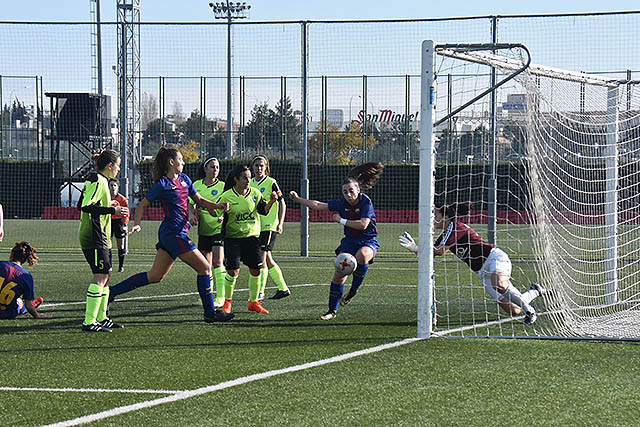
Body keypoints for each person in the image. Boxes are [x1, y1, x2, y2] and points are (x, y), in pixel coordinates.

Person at [108, 147, 234, 324]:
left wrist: (218, 206)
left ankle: (111, 293)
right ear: (171, 162)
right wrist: (136, 224)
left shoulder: (184, 179)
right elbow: (143, 204)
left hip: (173, 234)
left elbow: (200, 201)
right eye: (181, 159)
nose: (183, 162)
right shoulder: (162, 184)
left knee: (155, 276)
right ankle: (210, 313)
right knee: (205, 268)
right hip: (174, 234)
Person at [398, 202, 545, 325]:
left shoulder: (455, 227)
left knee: (498, 283)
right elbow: (432, 253)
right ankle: (535, 291)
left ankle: (531, 312)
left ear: (446, 217)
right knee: (514, 310)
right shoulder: (446, 234)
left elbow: (440, 251)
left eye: (435, 214)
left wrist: (416, 248)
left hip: (494, 259)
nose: (433, 218)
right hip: (482, 272)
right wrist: (413, 248)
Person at [289, 162, 384, 321]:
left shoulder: (365, 202)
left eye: (351, 191)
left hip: (368, 240)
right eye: (345, 192)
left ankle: (353, 290)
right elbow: (318, 205)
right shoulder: (342, 203)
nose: (348, 194)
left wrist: (341, 220)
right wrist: (298, 199)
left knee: (362, 255)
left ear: (358, 190)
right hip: (349, 242)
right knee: (339, 274)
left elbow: (363, 225)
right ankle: (331, 311)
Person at [78, 149, 128, 332]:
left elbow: (81, 204)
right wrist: (111, 211)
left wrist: (108, 206)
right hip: (94, 235)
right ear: (109, 165)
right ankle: (89, 322)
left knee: (106, 275)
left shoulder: (101, 181)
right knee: (100, 276)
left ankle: (101, 317)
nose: (119, 169)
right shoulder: (97, 180)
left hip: (103, 236)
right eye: (118, 165)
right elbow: (85, 207)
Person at [218, 164, 278, 315]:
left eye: (249, 178)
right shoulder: (227, 196)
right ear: (236, 179)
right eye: (245, 178)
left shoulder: (255, 194)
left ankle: (254, 302)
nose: (248, 181)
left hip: (252, 238)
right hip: (233, 239)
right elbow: (216, 212)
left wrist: (271, 201)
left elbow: (263, 211)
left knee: (256, 270)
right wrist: (219, 214)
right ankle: (227, 303)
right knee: (233, 271)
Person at [250, 155, 290, 301]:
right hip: (255, 227)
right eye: (256, 165)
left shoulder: (271, 182)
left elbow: (282, 203)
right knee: (268, 259)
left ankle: (260, 292)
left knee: (261, 257)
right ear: (252, 167)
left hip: (268, 226)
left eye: (262, 165)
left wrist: (280, 223)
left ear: (266, 167)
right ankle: (283, 288)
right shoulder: (250, 183)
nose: (259, 168)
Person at [188, 157, 227, 308]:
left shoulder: (223, 186)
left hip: (219, 229)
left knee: (218, 262)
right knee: (205, 264)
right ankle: (208, 295)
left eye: (217, 167)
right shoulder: (197, 185)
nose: (215, 170)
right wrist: (191, 214)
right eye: (212, 167)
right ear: (205, 169)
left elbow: (228, 204)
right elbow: (191, 203)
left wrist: (223, 215)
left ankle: (221, 297)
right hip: (204, 230)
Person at [0, 241, 51, 320]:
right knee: (19, 302)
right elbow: (29, 306)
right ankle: (28, 306)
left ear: (12, 254)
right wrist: (37, 315)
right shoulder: (26, 276)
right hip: (7, 314)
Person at [109, 178, 129, 273]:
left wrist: (124, 224)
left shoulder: (122, 199)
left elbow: (126, 213)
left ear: (117, 187)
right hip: (108, 221)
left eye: (114, 185)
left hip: (119, 221)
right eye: (111, 185)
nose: (113, 187)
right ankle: (109, 266)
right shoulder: (105, 198)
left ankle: (121, 266)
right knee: (108, 244)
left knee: (120, 245)